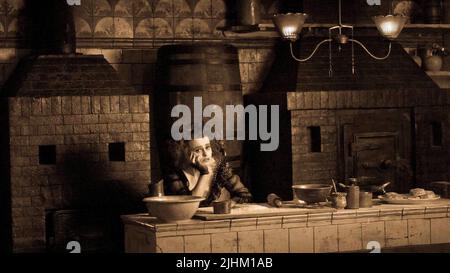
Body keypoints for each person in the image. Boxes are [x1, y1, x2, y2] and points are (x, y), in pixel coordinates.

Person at [162, 136, 253, 207]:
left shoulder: (218, 168)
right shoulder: (174, 175)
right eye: (198, 150)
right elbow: (187, 206)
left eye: (207, 147)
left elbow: (245, 195)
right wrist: (204, 173)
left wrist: (229, 204)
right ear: (184, 152)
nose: (206, 154)